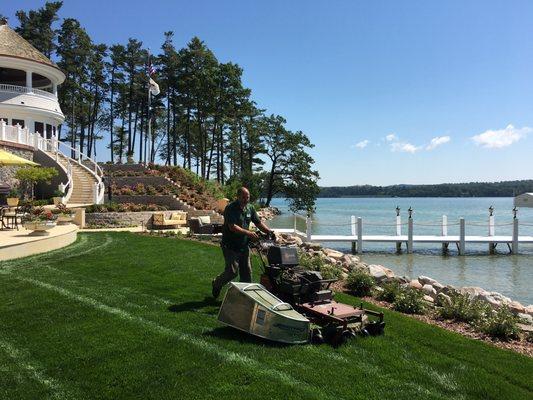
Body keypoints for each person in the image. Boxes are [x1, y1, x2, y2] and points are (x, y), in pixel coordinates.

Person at [211, 187, 273, 299]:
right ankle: (217, 283)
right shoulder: (231, 208)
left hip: (244, 246)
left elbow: (258, 223)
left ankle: (244, 297)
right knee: (232, 272)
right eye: (243, 197)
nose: (246, 199)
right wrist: (249, 233)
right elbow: (232, 227)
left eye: (247, 197)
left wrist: (268, 231)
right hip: (230, 245)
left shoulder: (250, 208)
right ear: (238, 197)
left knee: (247, 273)